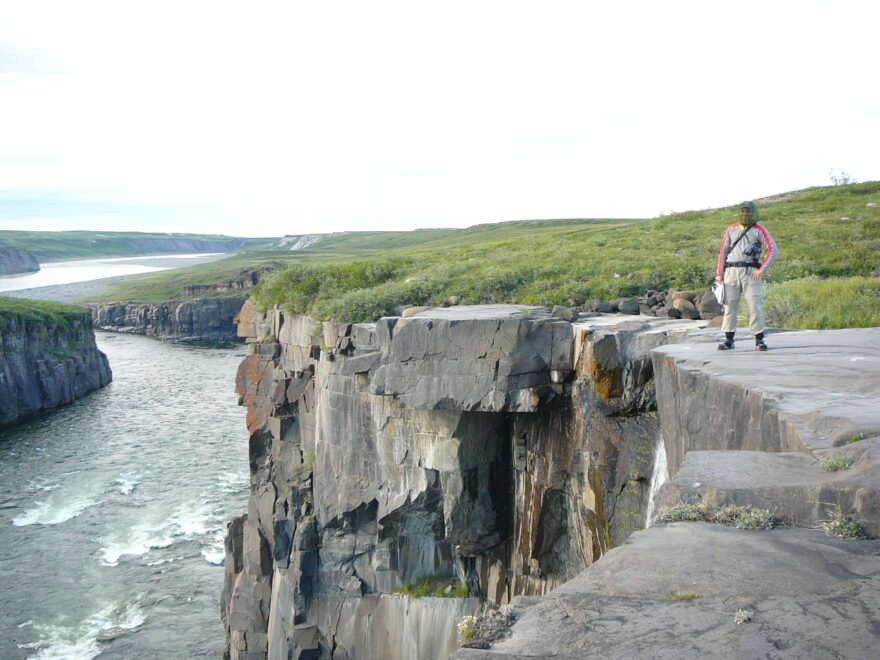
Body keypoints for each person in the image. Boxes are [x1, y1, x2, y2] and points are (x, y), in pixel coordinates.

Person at [715, 200, 777, 351]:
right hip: (731, 272)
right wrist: (719, 274)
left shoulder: (760, 230)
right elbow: (723, 251)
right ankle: (729, 340)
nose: (745, 214)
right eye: (742, 211)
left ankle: (759, 340)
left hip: (751, 273)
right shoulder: (731, 229)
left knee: (754, 306)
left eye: (748, 211)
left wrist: (761, 269)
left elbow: (773, 249)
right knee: (729, 306)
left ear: (753, 212)